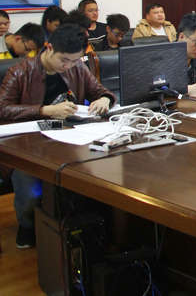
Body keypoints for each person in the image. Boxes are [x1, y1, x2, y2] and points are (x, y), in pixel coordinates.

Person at [0, 23, 115, 248]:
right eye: (64, 60)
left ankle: (77, 229)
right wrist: (44, 110)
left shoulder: (77, 67)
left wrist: (104, 99)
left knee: (95, 180)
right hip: (27, 142)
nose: (68, 66)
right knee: (30, 190)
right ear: (49, 47)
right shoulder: (20, 71)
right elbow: (3, 109)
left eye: (74, 60)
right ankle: (27, 226)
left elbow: (100, 91)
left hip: (68, 137)